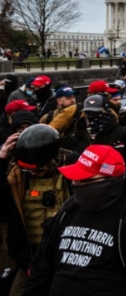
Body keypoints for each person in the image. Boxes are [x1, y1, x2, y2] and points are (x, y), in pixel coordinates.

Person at [26, 145, 126, 295]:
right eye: (74, 179)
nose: (75, 184)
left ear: (110, 179)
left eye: (83, 179)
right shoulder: (70, 208)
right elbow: (41, 267)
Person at [0, 124, 75, 294]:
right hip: (29, 260)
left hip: (64, 259)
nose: (32, 173)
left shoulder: (71, 170)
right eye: (28, 170)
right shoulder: (16, 177)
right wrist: (2, 160)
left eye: (38, 169)